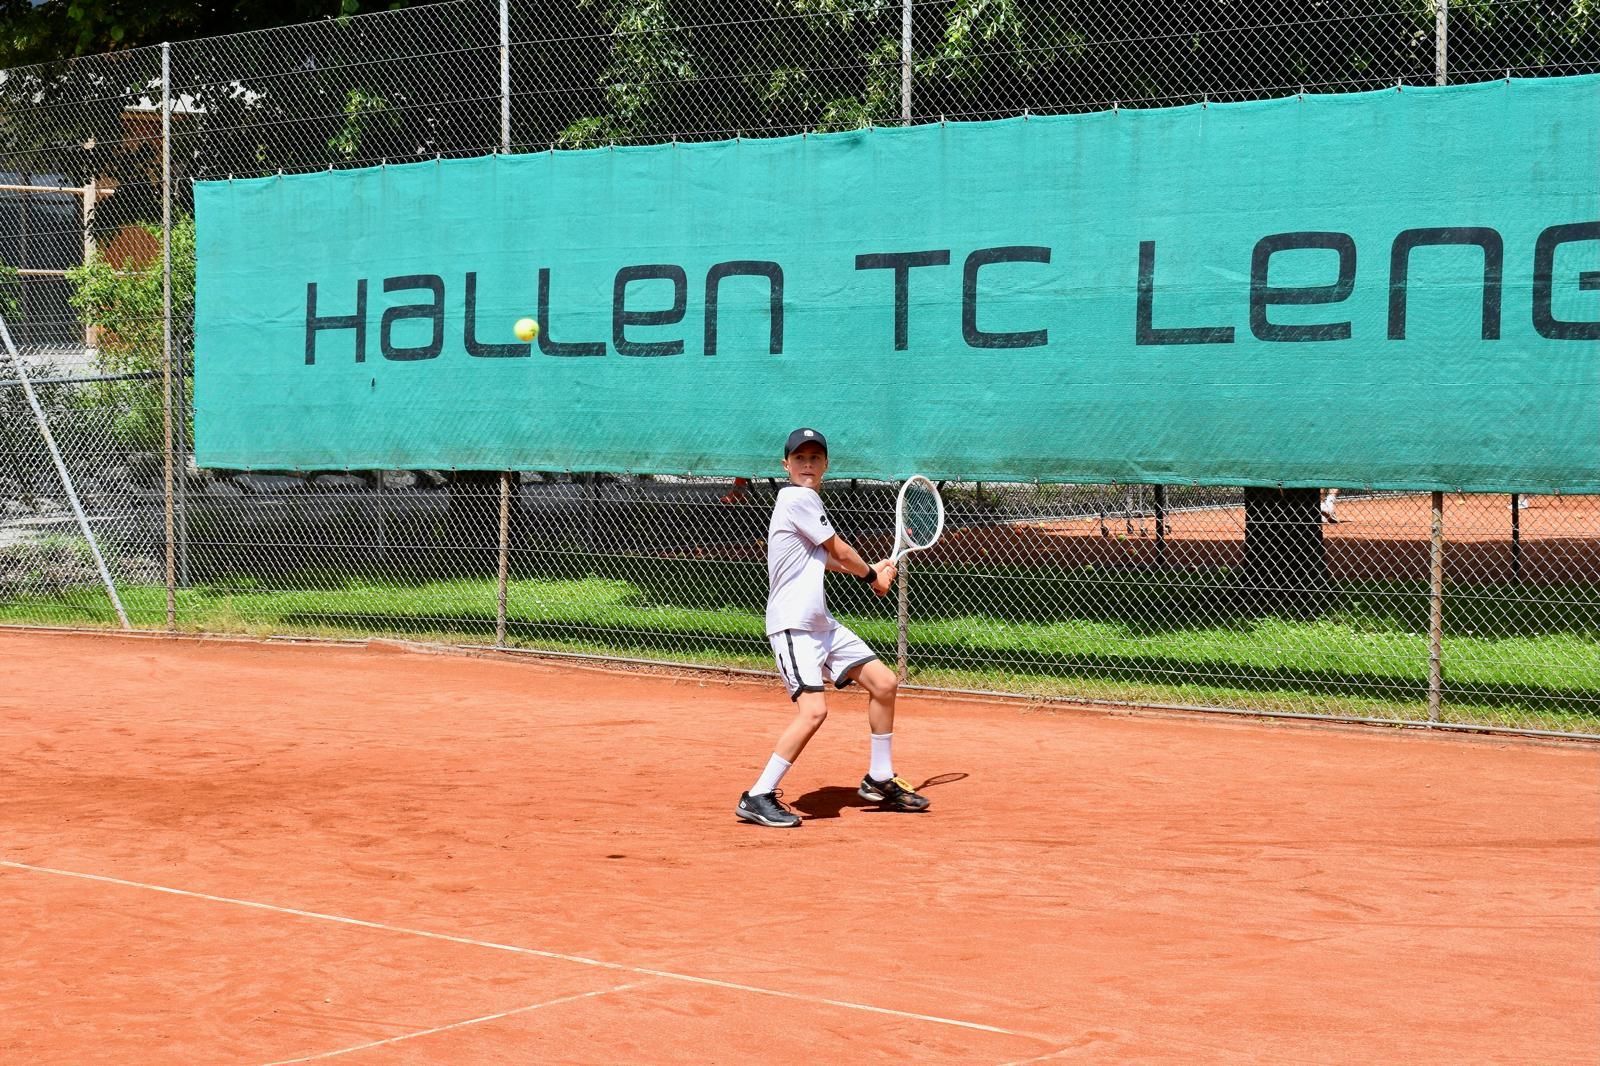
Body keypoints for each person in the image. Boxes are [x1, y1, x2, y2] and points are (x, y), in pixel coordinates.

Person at [735, 428, 931, 828]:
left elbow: (828, 560)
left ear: (825, 465)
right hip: (793, 626)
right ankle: (757, 795)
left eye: (815, 458)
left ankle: (879, 778)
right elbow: (840, 549)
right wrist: (870, 575)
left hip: (820, 625)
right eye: (800, 458)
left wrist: (874, 571)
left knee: (884, 683)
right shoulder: (797, 497)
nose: (807, 465)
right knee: (813, 711)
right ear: (785, 466)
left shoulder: (803, 506)